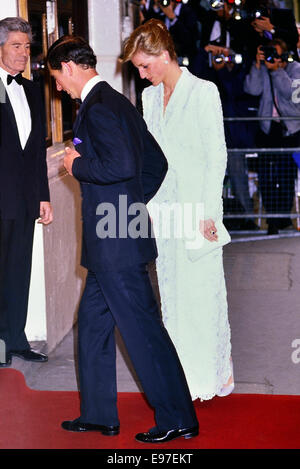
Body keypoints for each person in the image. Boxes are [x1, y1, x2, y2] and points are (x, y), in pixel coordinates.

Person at [47, 35, 198, 444]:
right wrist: (130, 205)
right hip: (115, 238)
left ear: (71, 68)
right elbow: (155, 164)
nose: (58, 86)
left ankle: (177, 418)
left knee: (143, 333)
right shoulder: (118, 102)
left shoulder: (98, 107)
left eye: (58, 77)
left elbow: (122, 163)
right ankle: (99, 414)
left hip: (115, 243)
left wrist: (78, 166)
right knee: (93, 328)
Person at [123, 19, 233, 401]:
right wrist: (148, 208)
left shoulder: (204, 92)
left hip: (197, 208)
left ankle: (209, 377)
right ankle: (182, 378)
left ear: (165, 55)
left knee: (202, 294)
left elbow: (216, 155)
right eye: (137, 67)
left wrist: (209, 212)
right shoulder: (149, 98)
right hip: (165, 211)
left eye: (144, 66)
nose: (141, 74)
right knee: (171, 296)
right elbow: (150, 159)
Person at [0, 17, 53, 368]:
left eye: (27, 47)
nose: (23, 53)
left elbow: (36, 153)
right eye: (16, 46)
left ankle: (15, 340)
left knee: (19, 270)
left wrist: (43, 195)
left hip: (24, 198)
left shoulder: (33, 90)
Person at [244, 39, 300, 235]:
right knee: (266, 177)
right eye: (269, 53)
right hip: (267, 129)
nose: (272, 57)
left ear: (284, 54)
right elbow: (252, 89)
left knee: (286, 176)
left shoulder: (295, 69)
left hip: (290, 130)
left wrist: (277, 71)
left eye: (275, 53)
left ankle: (282, 217)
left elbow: (292, 93)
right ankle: (272, 219)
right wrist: (258, 66)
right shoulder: (263, 67)